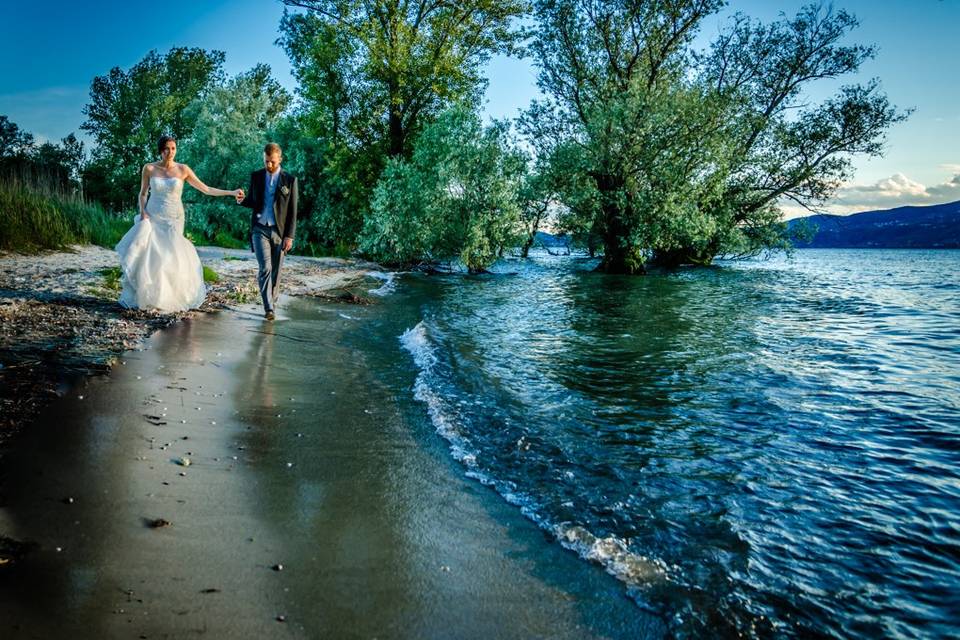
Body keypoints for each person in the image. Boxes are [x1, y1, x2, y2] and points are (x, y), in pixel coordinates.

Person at [115, 135, 243, 312]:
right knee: (152, 255)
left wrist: (231, 192)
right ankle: (151, 296)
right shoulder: (149, 168)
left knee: (170, 255)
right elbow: (143, 193)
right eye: (167, 148)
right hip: (153, 215)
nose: (170, 152)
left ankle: (169, 297)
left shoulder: (183, 169)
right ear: (161, 150)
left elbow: (206, 189)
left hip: (174, 218)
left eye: (173, 148)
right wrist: (143, 211)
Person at [236, 142, 298, 321]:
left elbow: (293, 211)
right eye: (266, 161)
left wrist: (289, 236)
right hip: (259, 229)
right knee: (265, 268)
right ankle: (268, 308)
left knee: (277, 271)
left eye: (272, 162)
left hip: (279, 232)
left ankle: (272, 301)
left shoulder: (290, 180)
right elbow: (254, 201)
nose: (269, 165)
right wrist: (241, 200)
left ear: (280, 159)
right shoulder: (256, 176)